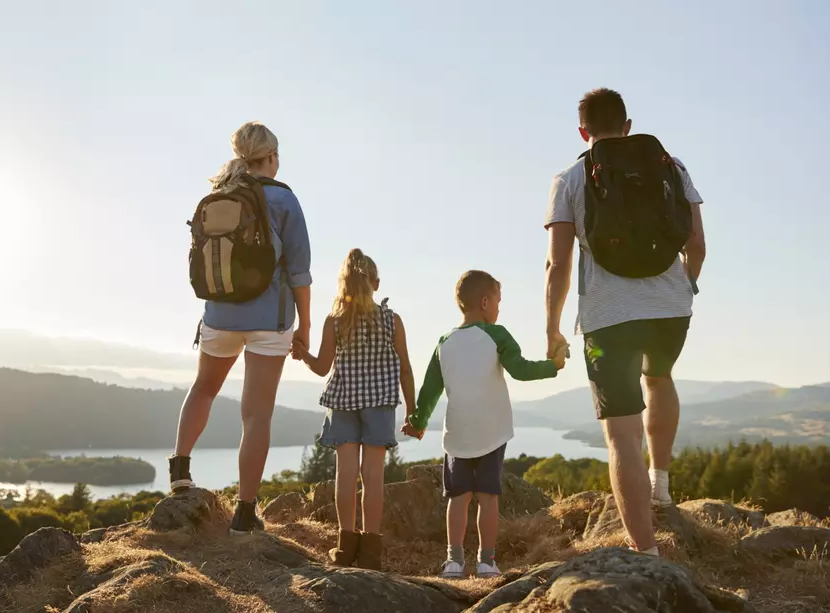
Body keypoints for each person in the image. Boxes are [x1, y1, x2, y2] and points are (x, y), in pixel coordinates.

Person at [543, 88, 706, 555]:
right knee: (659, 378)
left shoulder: (570, 178)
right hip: (671, 309)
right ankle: (661, 482)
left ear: (582, 131)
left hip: (608, 317)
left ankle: (646, 553)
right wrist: (685, 285)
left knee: (621, 435)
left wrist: (553, 327)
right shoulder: (670, 167)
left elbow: (558, 265)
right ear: (628, 125)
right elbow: (696, 244)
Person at [170, 121, 313, 535]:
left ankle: (180, 470)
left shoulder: (219, 194)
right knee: (256, 416)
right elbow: (299, 273)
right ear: (271, 157)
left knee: (203, 388)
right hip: (269, 320)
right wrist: (304, 326)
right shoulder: (283, 199)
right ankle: (245, 512)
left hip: (219, 315)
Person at [403, 270, 565, 579]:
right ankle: (486, 561)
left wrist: (418, 423)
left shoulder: (444, 342)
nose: (499, 309)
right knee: (488, 497)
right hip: (492, 432)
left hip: (458, 434)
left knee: (458, 498)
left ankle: (453, 562)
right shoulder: (497, 334)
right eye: (499, 302)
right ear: (486, 301)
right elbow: (520, 370)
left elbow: (429, 391)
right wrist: (553, 366)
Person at [292, 249, 416, 571]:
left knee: (345, 475)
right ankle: (371, 550)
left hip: (343, 401)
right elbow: (405, 369)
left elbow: (321, 368)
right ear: (375, 283)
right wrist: (413, 412)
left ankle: (345, 546)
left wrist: (302, 354)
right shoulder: (392, 320)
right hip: (379, 404)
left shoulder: (335, 321)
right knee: (373, 477)